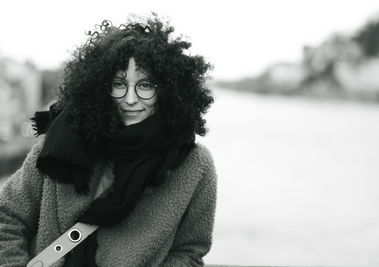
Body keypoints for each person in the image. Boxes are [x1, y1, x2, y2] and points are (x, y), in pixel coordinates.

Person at [0, 14, 217, 266]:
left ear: (167, 89)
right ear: (102, 85)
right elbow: (6, 218)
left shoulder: (195, 165)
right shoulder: (60, 144)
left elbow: (189, 252)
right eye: (119, 84)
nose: (131, 99)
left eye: (145, 85)